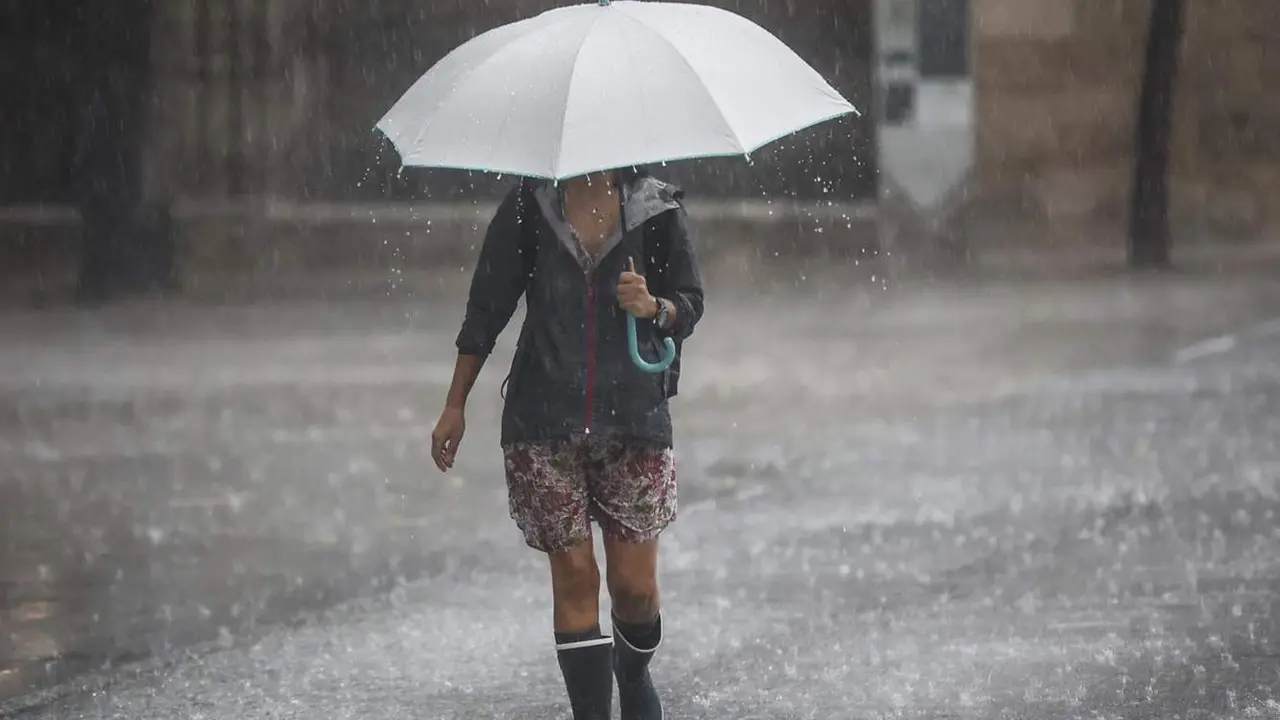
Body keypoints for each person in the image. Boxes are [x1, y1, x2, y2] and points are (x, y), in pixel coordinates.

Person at [431, 167, 704, 719]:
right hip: (543, 418)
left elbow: (689, 301)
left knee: (635, 589)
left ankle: (632, 672)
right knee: (575, 576)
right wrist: (455, 403)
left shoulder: (655, 210)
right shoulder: (529, 207)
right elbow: (486, 307)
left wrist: (655, 307)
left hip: (633, 419)